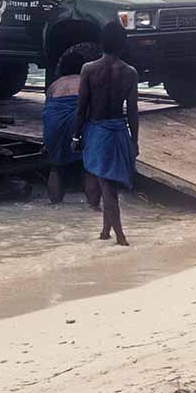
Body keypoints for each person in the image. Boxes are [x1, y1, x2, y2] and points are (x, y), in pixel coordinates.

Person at [73, 23, 139, 246]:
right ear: (122, 44)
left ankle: (121, 237)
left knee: (106, 187)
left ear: (102, 43)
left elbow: (81, 107)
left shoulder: (89, 69)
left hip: (97, 130)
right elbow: (132, 111)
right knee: (109, 184)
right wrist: (134, 140)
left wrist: (76, 136)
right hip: (119, 130)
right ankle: (105, 232)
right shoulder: (130, 72)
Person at [42, 42, 103, 206]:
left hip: (54, 124)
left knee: (55, 167)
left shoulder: (54, 86)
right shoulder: (86, 82)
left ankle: (55, 206)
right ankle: (94, 209)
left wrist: (45, 141)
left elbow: (47, 112)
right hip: (78, 122)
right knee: (88, 168)